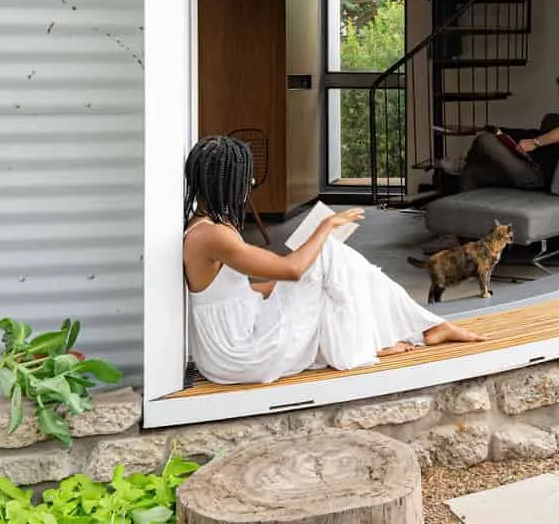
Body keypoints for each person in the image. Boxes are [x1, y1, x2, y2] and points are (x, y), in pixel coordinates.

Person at [182, 135, 486, 385]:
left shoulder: (205, 228)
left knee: (329, 273)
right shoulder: (213, 237)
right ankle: (392, 337)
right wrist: (325, 227)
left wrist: (290, 283)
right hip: (242, 355)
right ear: (225, 182)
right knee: (328, 254)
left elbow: (233, 294)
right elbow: (291, 268)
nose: (250, 182)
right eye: (244, 177)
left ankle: (389, 337)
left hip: (235, 345)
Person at [452, 70, 559, 192]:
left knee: (485, 140)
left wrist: (535, 143)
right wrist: (501, 131)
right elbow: (533, 133)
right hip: (528, 164)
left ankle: (461, 163)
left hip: (537, 175)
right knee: (472, 172)